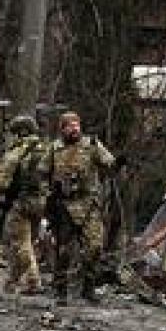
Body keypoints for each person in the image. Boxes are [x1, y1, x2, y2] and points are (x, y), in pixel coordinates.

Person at [41, 111, 116, 304]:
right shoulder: (54, 149)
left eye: (77, 125)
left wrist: (114, 165)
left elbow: (109, 163)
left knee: (95, 247)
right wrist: (48, 195)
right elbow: (41, 174)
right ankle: (60, 290)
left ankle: (88, 287)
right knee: (63, 251)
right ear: (62, 129)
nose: (74, 129)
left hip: (89, 204)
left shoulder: (91, 146)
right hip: (64, 206)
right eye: (70, 125)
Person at [0, 114, 48, 295]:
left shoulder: (17, 151)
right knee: (30, 242)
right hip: (43, 201)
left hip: (22, 201)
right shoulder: (47, 148)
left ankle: (33, 281)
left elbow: (2, 180)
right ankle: (11, 281)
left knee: (21, 243)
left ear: (20, 132)